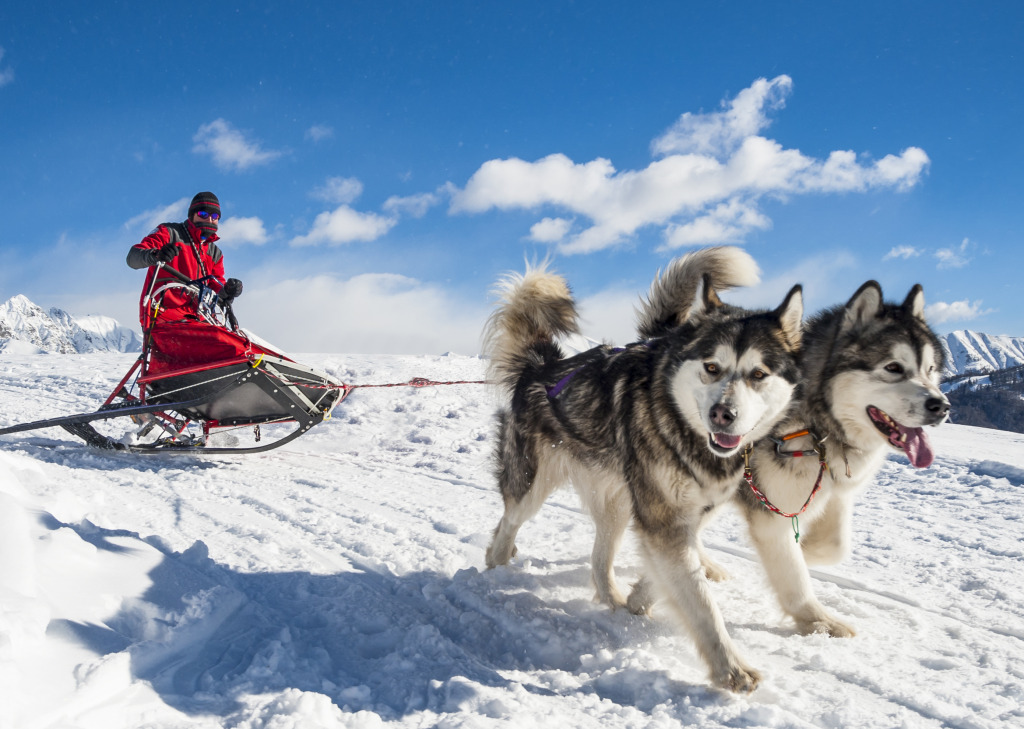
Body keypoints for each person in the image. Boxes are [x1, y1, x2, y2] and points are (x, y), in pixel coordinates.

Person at [127, 191, 243, 329]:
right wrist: (155, 255)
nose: (210, 220)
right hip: (164, 316)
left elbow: (216, 285)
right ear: (192, 215)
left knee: (233, 345)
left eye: (215, 216)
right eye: (203, 214)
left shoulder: (215, 253)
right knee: (221, 345)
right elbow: (132, 258)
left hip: (200, 319)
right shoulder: (169, 233)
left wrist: (228, 290)